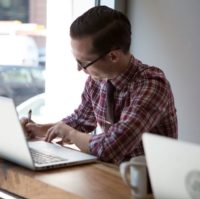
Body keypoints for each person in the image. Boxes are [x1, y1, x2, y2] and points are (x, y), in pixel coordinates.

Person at [21, 5, 178, 165]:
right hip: (113, 176)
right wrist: (40, 129)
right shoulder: (97, 80)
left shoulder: (152, 85)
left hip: (151, 184)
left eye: (84, 62)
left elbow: (110, 147)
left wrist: (70, 133)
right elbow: (80, 121)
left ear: (113, 56)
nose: (79, 69)